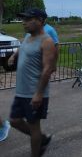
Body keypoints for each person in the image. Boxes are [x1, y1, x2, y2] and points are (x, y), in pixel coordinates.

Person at [8, 8, 57, 157]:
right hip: (21, 91)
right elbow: (23, 47)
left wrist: (39, 94)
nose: (24, 23)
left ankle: (36, 150)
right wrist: (13, 56)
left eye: (28, 19)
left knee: (34, 126)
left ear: (40, 21)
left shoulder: (47, 41)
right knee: (14, 120)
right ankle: (41, 139)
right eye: (24, 19)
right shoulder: (28, 37)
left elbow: (48, 68)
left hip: (34, 92)